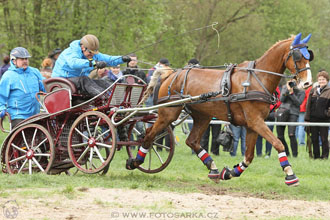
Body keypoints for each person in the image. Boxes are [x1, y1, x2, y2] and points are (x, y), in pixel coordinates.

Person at [52, 34, 131, 97]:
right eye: (90, 52)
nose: (92, 55)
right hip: (61, 81)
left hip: (77, 82)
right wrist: (93, 63)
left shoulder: (91, 54)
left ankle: (117, 98)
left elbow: (108, 59)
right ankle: (105, 97)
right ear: (83, 47)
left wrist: (122, 59)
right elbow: (74, 63)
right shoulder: (71, 51)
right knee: (84, 80)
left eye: (94, 53)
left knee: (102, 82)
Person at [0, 47, 45, 128]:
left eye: (26, 59)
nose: (25, 61)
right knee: (24, 139)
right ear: (14, 61)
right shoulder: (8, 76)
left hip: (35, 114)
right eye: (22, 59)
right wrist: (1, 108)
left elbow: (45, 87)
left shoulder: (35, 72)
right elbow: (1, 95)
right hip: (18, 116)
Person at [305, 70, 330, 159]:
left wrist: (326, 114)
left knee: (324, 139)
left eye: (323, 79)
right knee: (314, 138)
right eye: (319, 79)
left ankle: (324, 156)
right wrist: (307, 119)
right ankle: (316, 156)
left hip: (324, 119)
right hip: (313, 119)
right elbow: (308, 105)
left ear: (327, 80)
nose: (321, 81)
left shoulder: (329, 91)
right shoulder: (313, 90)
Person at [276, 79, 305, 157]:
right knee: (280, 135)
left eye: (295, 81)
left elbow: (298, 103)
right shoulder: (285, 88)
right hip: (283, 112)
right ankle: (286, 153)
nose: (293, 83)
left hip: (293, 113)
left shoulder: (301, 91)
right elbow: (281, 99)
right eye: (291, 81)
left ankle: (295, 155)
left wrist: (292, 93)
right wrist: (287, 90)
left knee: (291, 134)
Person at [256, 86, 281, 158]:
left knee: (269, 135)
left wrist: (269, 109)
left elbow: (278, 101)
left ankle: (268, 154)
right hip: (260, 113)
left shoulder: (275, 87)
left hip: (270, 113)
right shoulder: (260, 86)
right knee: (258, 135)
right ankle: (259, 154)